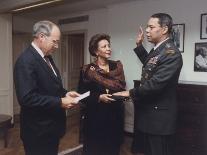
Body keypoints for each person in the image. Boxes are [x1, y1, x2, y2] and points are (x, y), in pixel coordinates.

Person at [114, 13, 183, 155]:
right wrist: (139, 46)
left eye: (151, 27)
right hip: (149, 114)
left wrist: (129, 92)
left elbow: (155, 84)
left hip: (159, 120)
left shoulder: (172, 53)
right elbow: (150, 63)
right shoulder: (159, 49)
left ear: (164, 29)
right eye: (147, 27)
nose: (147, 30)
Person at [14, 20, 80, 155]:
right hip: (37, 132)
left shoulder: (48, 58)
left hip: (51, 129)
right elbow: (27, 98)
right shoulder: (26, 61)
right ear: (41, 37)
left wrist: (66, 94)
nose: (57, 46)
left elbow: (52, 87)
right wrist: (60, 102)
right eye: (54, 41)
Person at [78, 33, 126, 155]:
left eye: (108, 45)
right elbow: (81, 94)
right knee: (95, 149)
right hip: (95, 118)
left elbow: (122, 86)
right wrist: (98, 97)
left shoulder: (117, 66)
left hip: (115, 116)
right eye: (104, 46)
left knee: (113, 149)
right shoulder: (88, 70)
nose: (108, 48)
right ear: (96, 51)